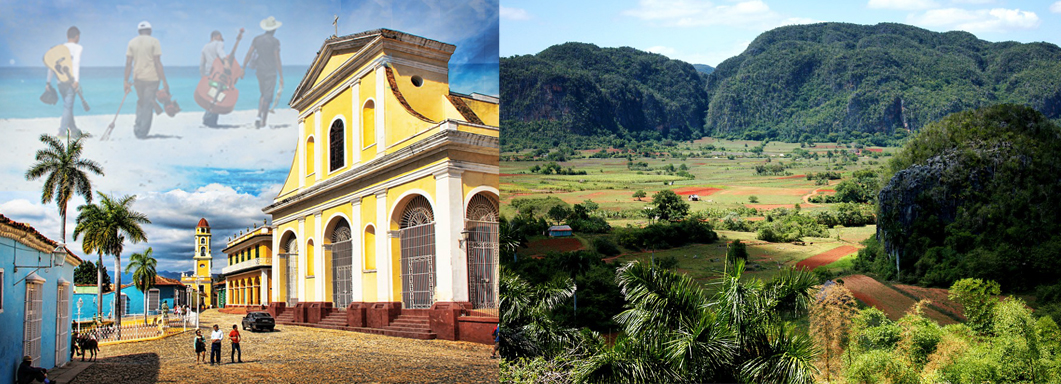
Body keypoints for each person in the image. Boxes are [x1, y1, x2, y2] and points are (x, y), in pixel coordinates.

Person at [123, 21, 169, 139]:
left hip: (137, 78)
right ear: (150, 31)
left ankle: (137, 128)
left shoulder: (132, 42)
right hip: (152, 78)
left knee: (141, 101)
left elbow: (128, 63)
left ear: (139, 32)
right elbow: (157, 63)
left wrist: (125, 81)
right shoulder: (154, 41)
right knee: (148, 105)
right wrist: (164, 80)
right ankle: (142, 132)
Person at [242, 16, 283, 129]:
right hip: (270, 71)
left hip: (259, 70)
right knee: (267, 96)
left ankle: (258, 116)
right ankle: (262, 121)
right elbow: (277, 58)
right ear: (274, 29)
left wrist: (243, 67)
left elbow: (249, 53)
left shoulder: (257, 39)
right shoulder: (275, 41)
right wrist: (281, 75)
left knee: (263, 94)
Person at [46, 26, 83, 137]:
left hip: (60, 82)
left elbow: (51, 66)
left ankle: (74, 130)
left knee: (68, 106)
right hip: (71, 81)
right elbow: (76, 63)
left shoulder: (59, 48)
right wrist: (76, 80)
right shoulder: (78, 48)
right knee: (68, 106)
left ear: (67, 36)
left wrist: (48, 82)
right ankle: (62, 131)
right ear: (77, 37)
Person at [199, 30, 226, 127]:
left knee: (211, 96)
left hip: (208, 74)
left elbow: (202, 64)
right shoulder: (219, 43)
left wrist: (203, 76)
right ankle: (209, 118)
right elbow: (221, 54)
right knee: (217, 96)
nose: (222, 38)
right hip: (218, 74)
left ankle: (209, 119)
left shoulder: (205, 47)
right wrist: (226, 63)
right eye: (221, 36)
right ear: (217, 36)